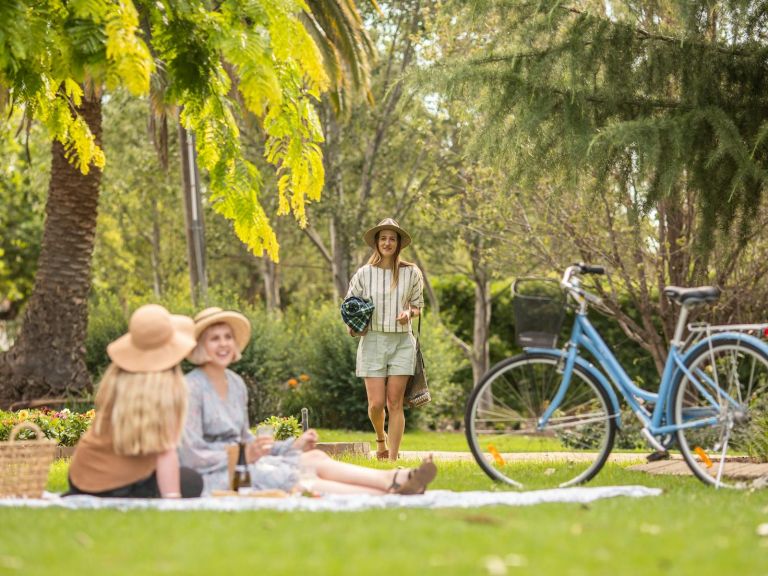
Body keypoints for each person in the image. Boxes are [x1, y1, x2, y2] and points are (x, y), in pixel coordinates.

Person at [178, 307, 436, 496]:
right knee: (299, 475)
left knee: (313, 458)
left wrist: (294, 445)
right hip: (215, 476)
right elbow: (191, 455)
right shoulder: (191, 388)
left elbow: (247, 441)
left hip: (245, 463)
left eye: (227, 337)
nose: (223, 344)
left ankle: (393, 477)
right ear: (200, 346)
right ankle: (389, 492)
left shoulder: (235, 384)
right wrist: (242, 455)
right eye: (214, 338)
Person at [67, 304, 203, 499]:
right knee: (191, 481)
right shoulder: (168, 391)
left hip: (82, 479)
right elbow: (166, 452)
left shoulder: (115, 378)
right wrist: (172, 499)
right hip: (126, 486)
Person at [345, 218, 424, 461]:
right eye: (383, 238)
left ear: (399, 243)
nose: (387, 242)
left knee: (395, 403)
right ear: (376, 243)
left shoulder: (411, 273)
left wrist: (407, 313)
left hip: (402, 342)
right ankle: (381, 440)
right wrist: (354, 325)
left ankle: (392, 458)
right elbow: (349, 306)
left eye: (392, 238)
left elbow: (418, 306)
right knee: (376, 404)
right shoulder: (364, 274)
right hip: (372, 341)